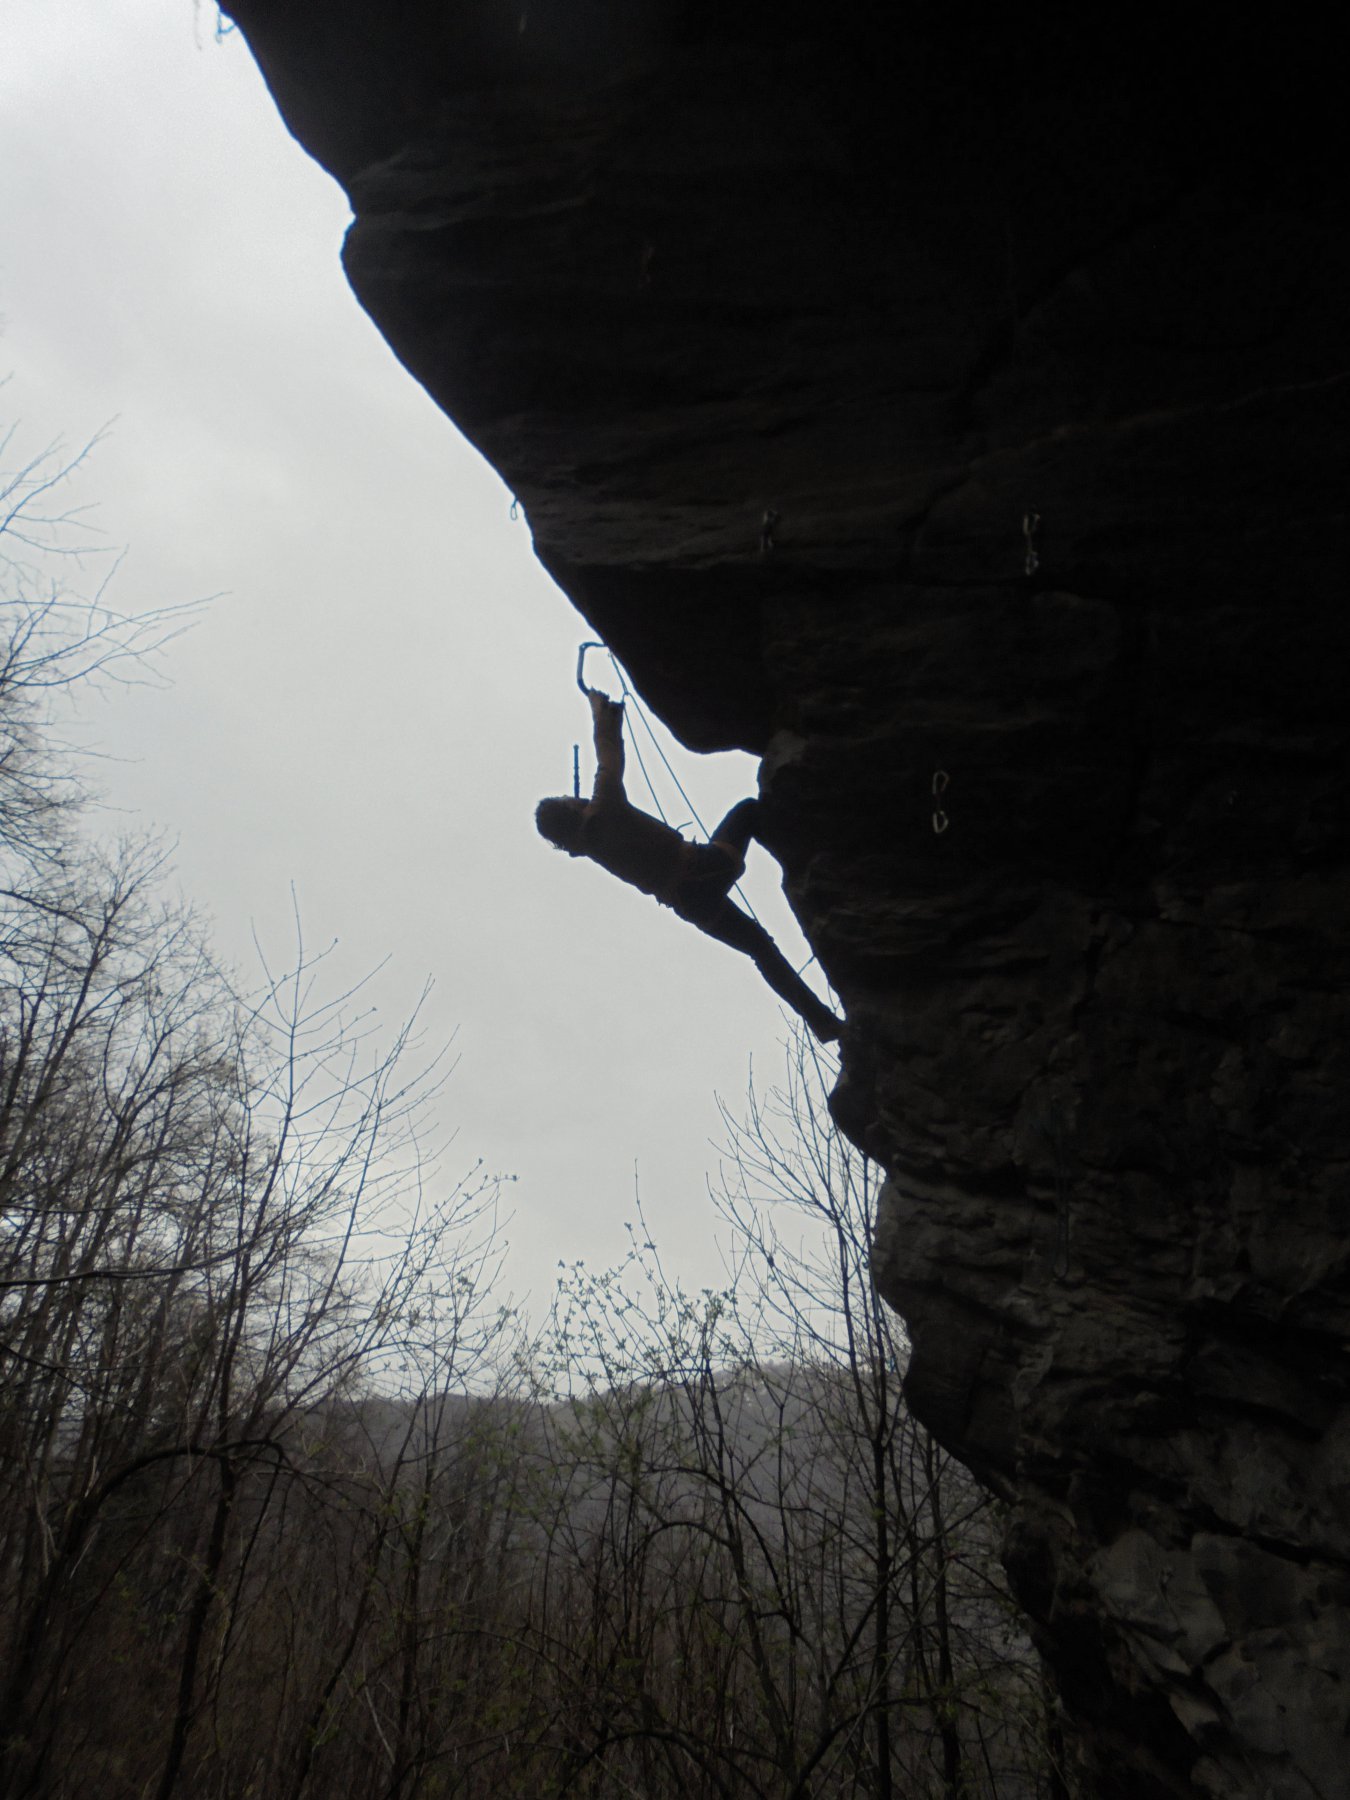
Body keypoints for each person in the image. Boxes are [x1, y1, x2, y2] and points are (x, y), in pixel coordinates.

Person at [536, 687, 842, 1043]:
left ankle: (822, 1022)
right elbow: (608, 757)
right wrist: (601, 711)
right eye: (567, 799)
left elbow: (578, 837)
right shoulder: (604, 809)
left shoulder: (586, 847)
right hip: (702, 867)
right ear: (571, 808)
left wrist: (574, 812)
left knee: (761, 949)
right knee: (748, 811)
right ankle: (813, 855)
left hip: (691, 904)